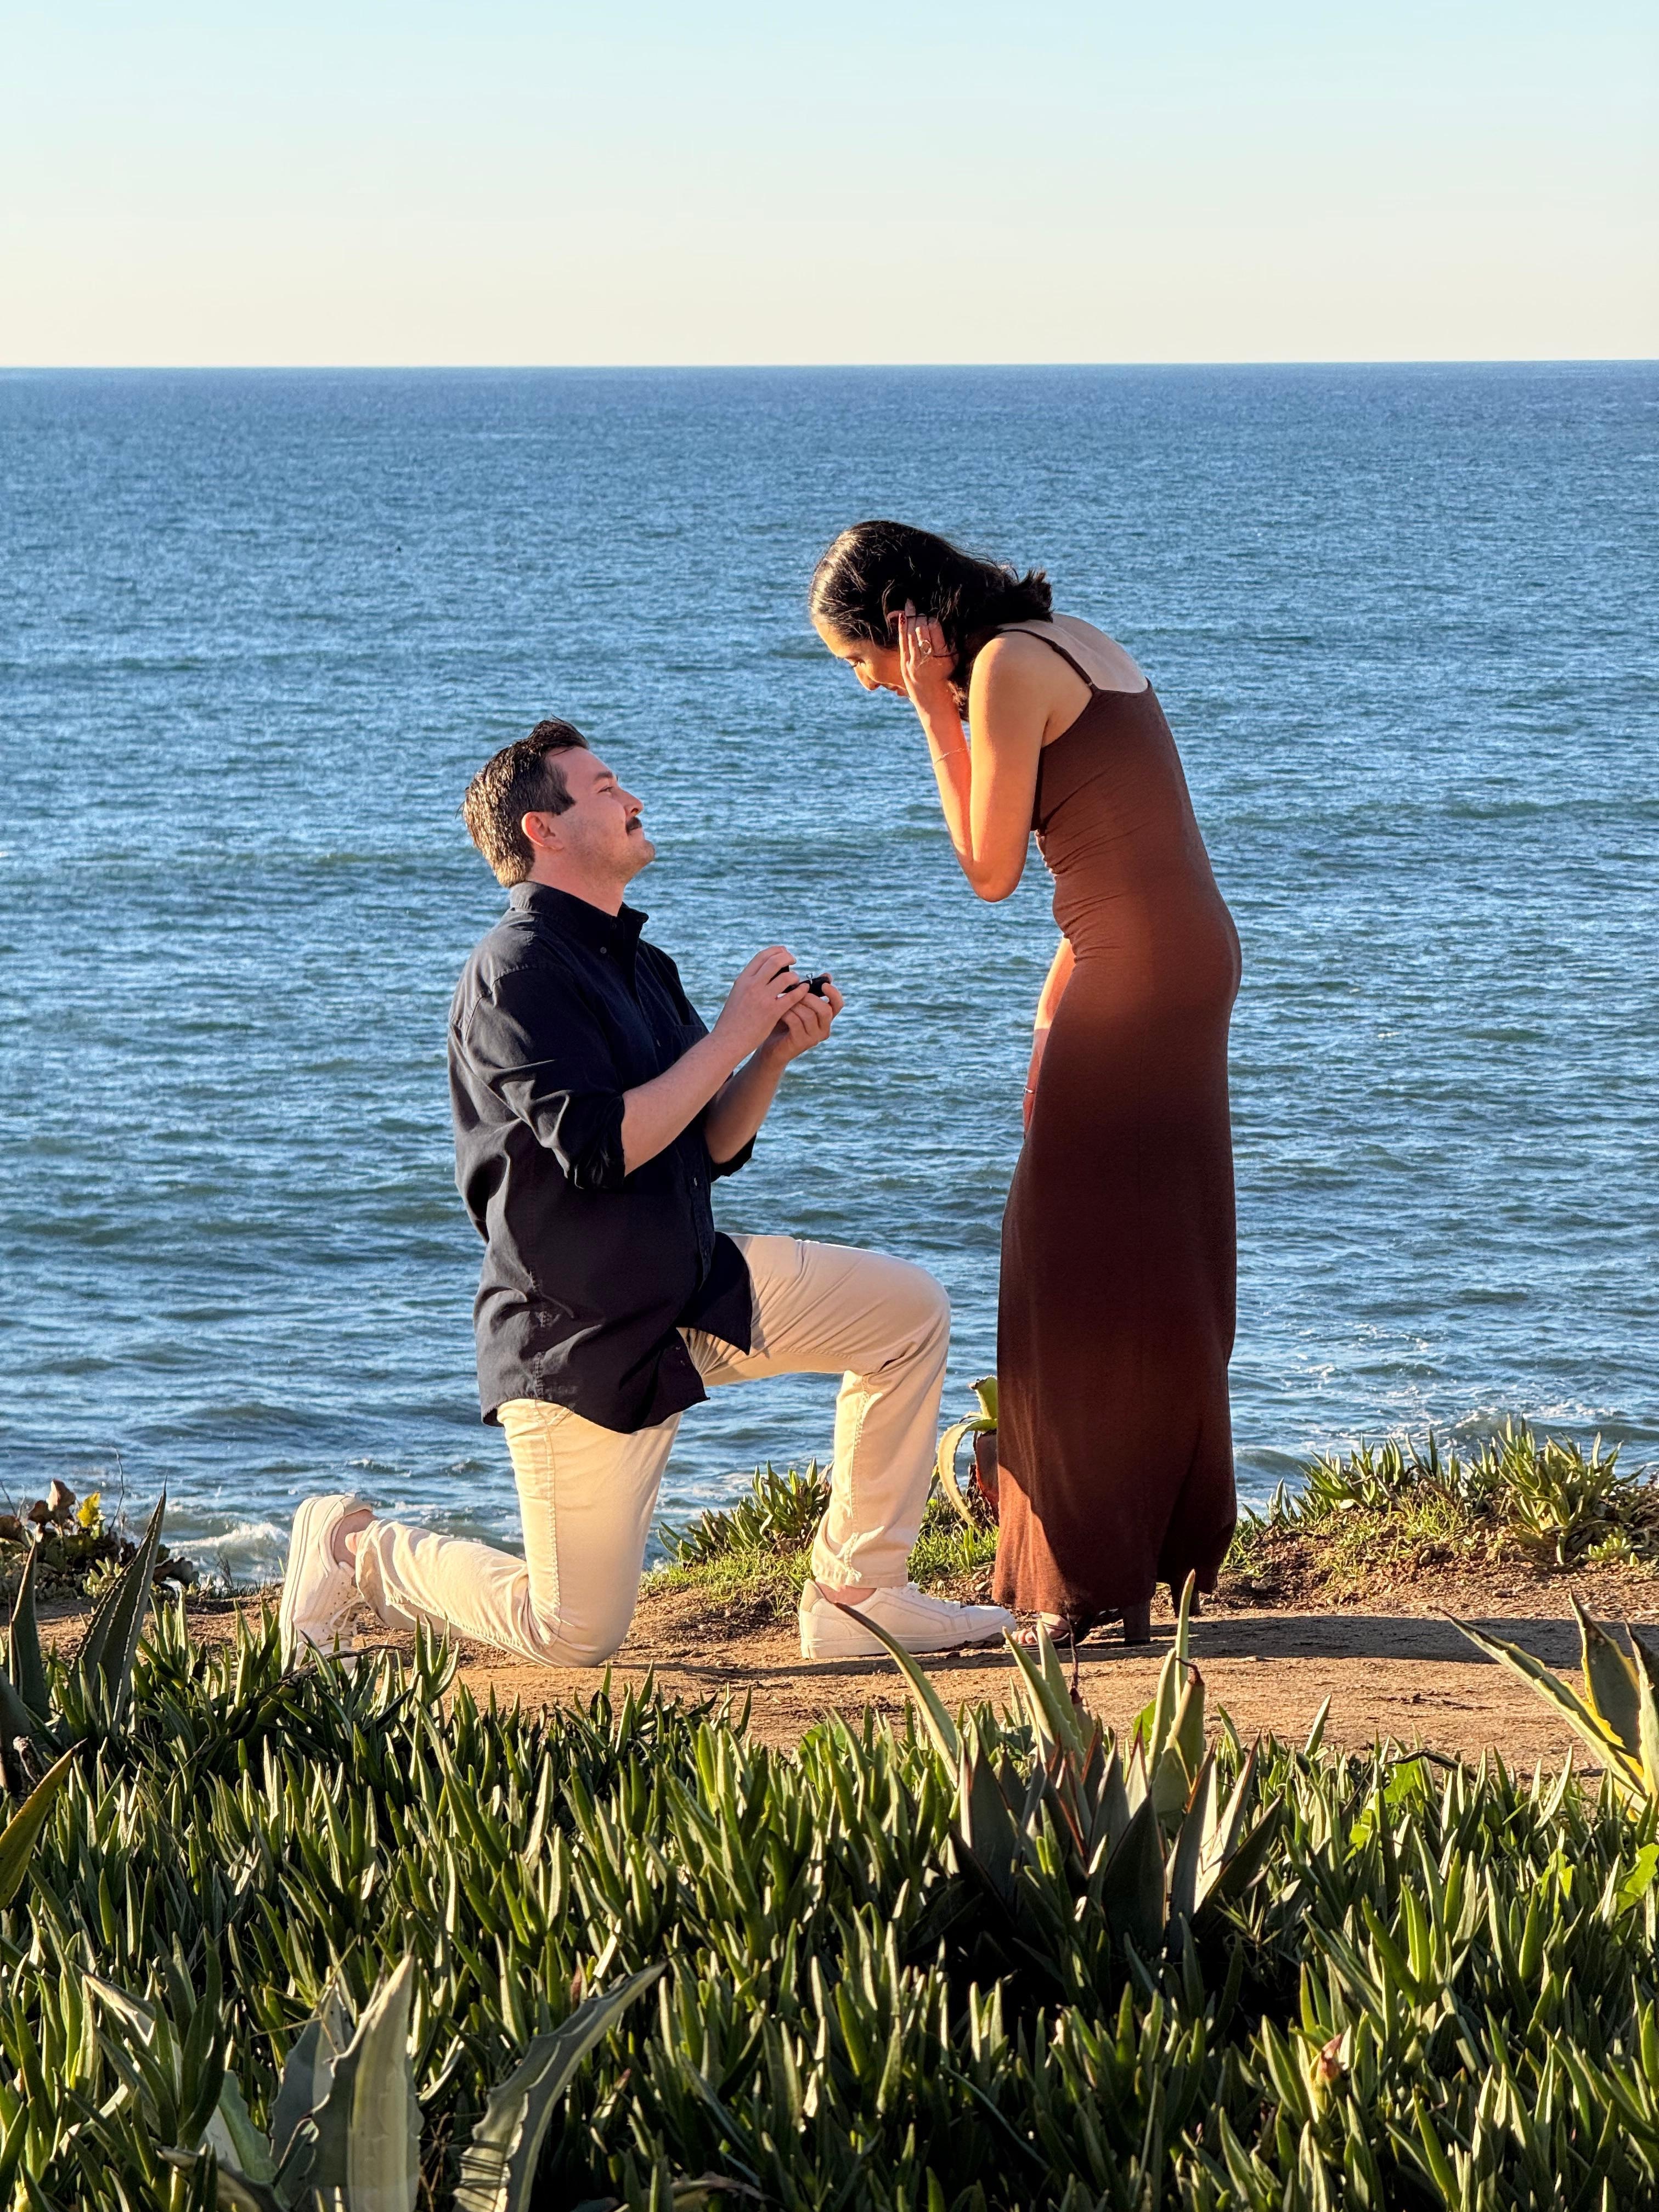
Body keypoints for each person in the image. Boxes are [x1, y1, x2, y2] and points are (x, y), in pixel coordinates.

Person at [279, 717, 1013, 1667]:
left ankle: (856, 1597)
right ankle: (351, 1545)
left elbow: (706, 1145)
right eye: (606, 789)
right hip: (580, 1335)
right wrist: (733, 1033)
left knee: (905, 1314)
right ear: (543, 830)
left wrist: (770, 1055)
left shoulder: (639, 963)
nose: (633, 801)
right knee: (574, 1633)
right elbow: (599, 1150)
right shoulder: (513, 972)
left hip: (693, 1286)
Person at [810, 523, 1240, 1644]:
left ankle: (1084, 1580)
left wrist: (932, 711)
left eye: (860, 659)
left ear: (903, 626)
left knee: (1059, 1278)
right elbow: (1115, 855)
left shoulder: (1003, 669)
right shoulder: (1076, 640)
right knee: (1155, 1262)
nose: (865, 683)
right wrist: (1052, 1022)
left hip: (1136, 976)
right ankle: (1152, 1556)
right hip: (1182, 959)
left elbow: (990, 869)